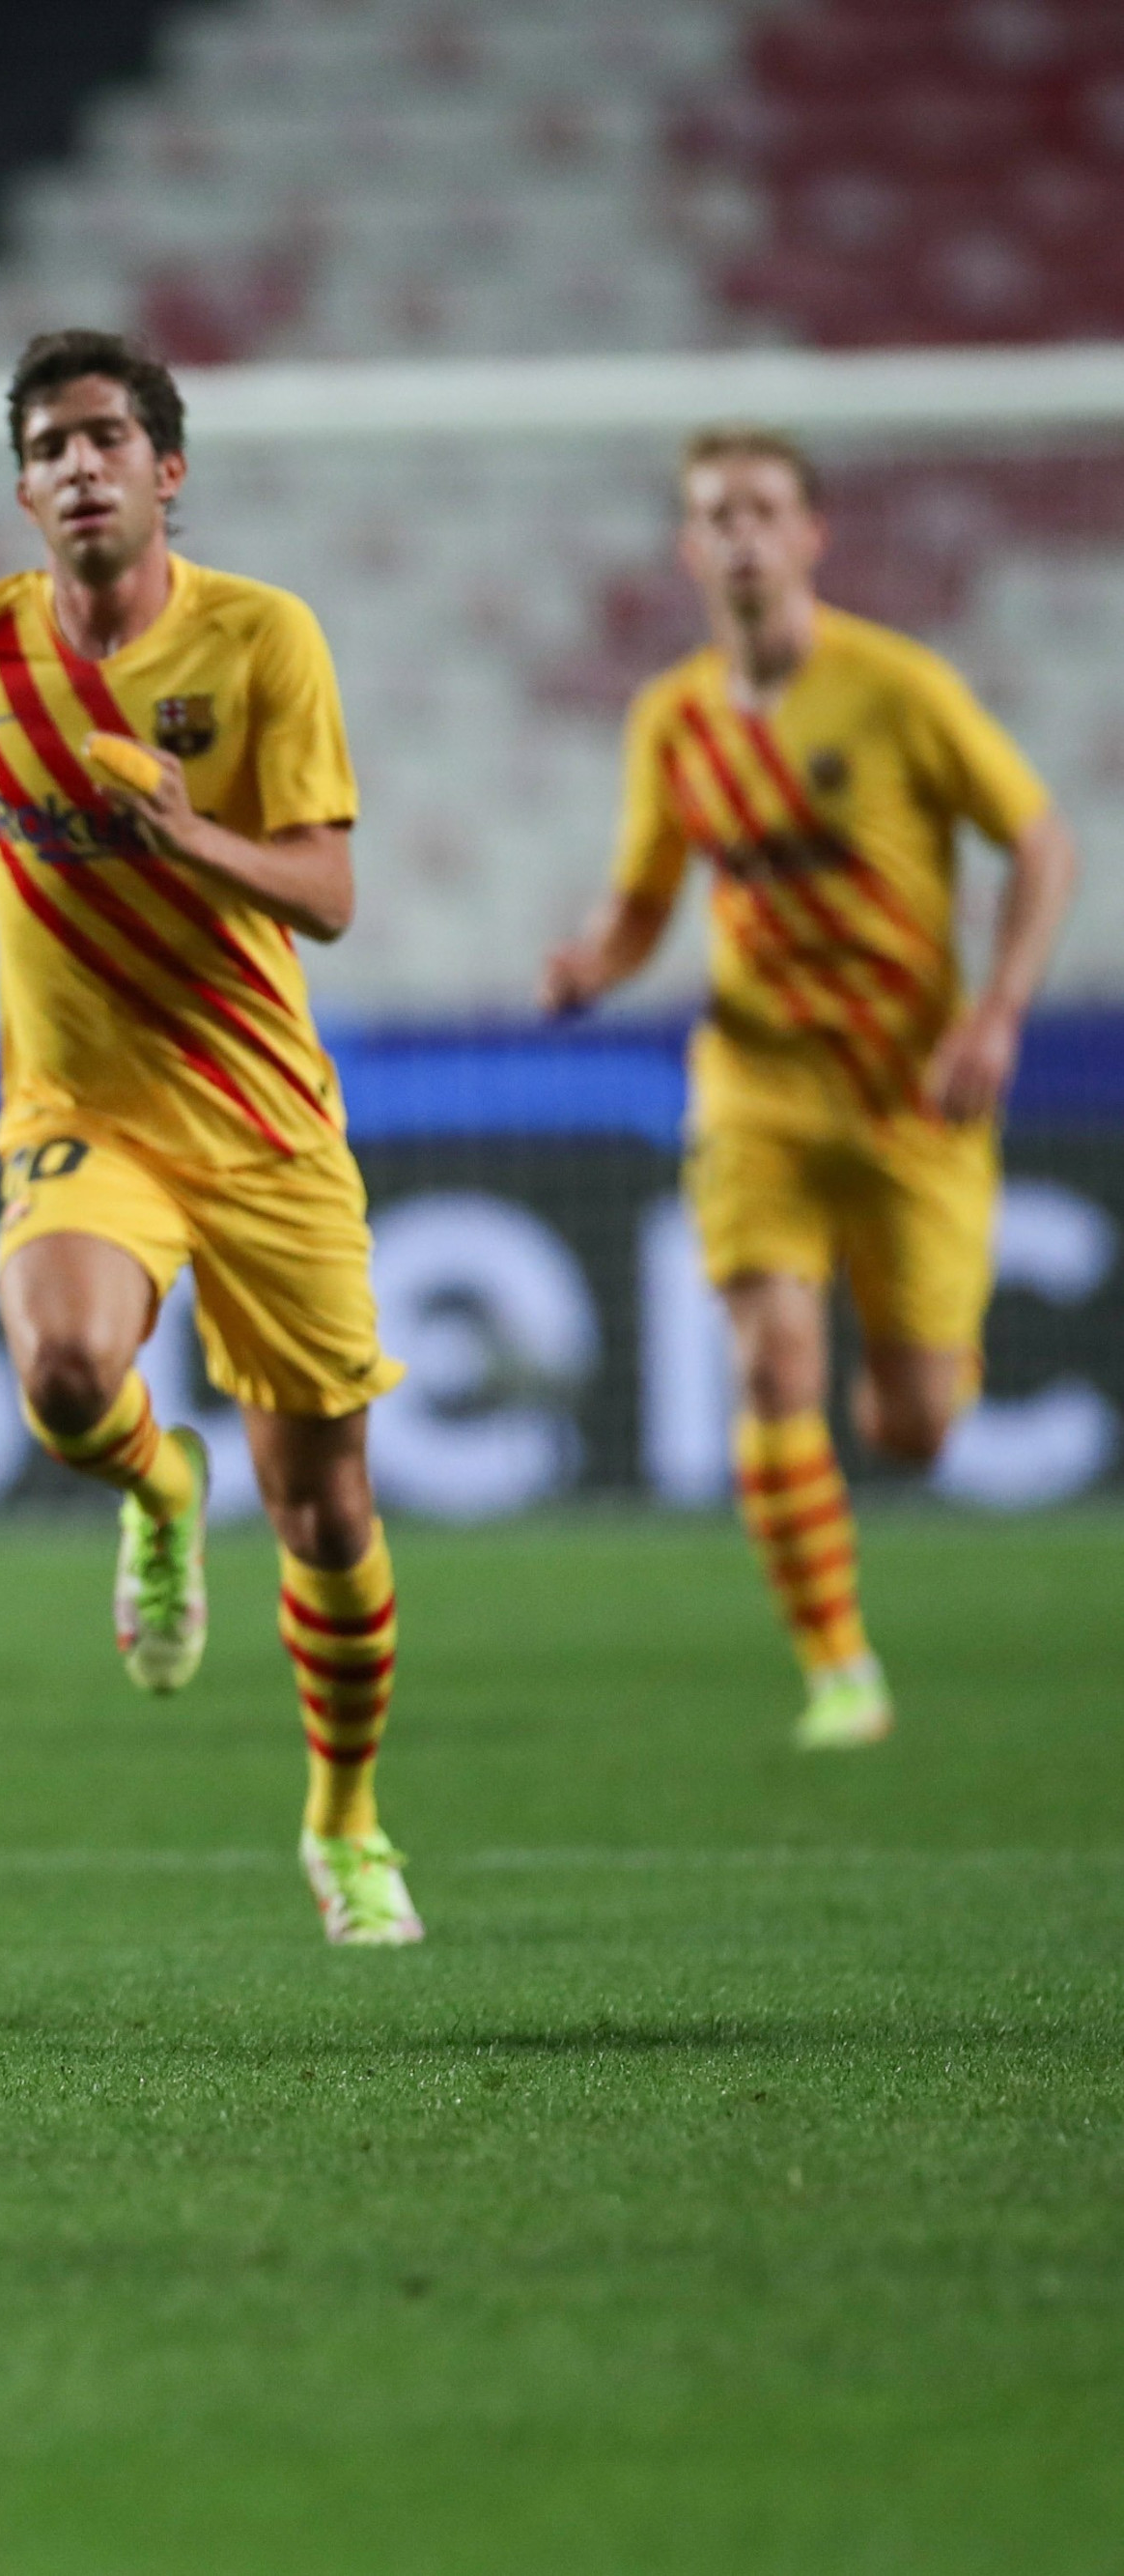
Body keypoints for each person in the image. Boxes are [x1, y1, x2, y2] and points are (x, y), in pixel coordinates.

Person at [0, 329, 417, 1947]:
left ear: (168, 471)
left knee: (327, 1514)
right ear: (23, 490)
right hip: (84, 1113)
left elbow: (331, 897)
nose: (78, 466)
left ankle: (346, 1822)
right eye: (48, 446)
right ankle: (162, 1495)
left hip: (266, 1124)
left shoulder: (260, 641)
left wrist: (180, 830)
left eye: (106, 438)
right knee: (66, 1374)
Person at [542, 426, 1078, 1749]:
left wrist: (999, 1013)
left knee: (914, 1425)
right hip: (755, 1087)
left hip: (913, 1095)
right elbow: (645, 902)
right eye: (714, 514)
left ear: (810, 535)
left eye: (762, 511)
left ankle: (913, 1378)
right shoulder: (670, 720)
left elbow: (1043, 842)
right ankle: (838, 1669)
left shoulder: (897, 688)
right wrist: (591, 965)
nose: (739, 536)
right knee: (770, 1364)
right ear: (688, 546)